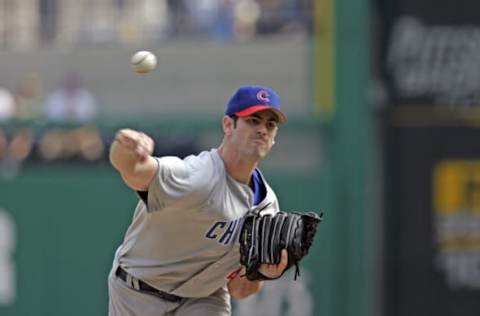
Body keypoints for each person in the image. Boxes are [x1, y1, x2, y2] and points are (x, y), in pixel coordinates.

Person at [108, 85, 289, 316]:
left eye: (270, 125)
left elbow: (239, 289)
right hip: (137, 293)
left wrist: (260, 273)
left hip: (203, 298)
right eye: (253, 120)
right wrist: (125, 148)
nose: (263, 129)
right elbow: (132, 170)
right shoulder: (198, 176)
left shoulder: (267, 209)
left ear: (274, 138)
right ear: (228, 125)